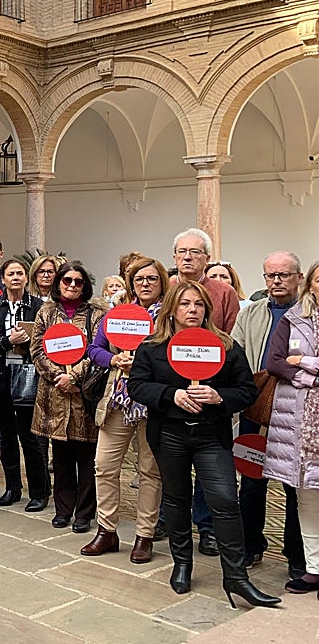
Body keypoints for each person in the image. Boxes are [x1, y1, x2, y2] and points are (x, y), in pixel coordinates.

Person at [127, 281, 279, 608]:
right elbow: (138, 386)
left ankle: (236, 578)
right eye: (184, 304)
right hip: (169, 433)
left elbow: (247, 390)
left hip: (212, 435)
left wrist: (218, 396)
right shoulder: (152, 347)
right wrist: (172, 395)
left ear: (207, 310)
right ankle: (182, 563)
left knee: (225, 498)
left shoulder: (225, 346)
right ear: (172, 309)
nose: (192, 310)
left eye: (198, 304)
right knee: (176, 498)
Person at [82, 256, 168, 563]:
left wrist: (145, 364)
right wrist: (112, 360)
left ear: (161, 283)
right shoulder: (119, 314)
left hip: (153, 403)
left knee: (149, 471)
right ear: (131, 284)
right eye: (139, 279)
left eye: (151, 279)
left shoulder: (169, 317)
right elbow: (94, 348)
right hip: (119, 399)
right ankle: (107, 531)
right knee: (104, 465)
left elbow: (176, 355)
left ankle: (144, 536)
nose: (145, 284)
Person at [232, 251, 306, 572]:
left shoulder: (309, 315)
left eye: (284, 275)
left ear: (299, 278)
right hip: (255, 406)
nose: (276, 281)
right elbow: (235, 352)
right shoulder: (250, 315)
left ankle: (295, 554)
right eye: (270, 275)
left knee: (294, 486)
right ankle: (251, 545)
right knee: (251, 479)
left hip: (297, 412)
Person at [31, 262, 104, 533]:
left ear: (85, 286)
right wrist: (57, 377)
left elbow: (98, 350)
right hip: (54, 395)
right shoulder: (46, 312)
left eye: (78, 282)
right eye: (67, 280)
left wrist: (74, 377)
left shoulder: (96, 314)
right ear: (58, 283)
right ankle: (63, 510)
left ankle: (85, 513)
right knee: (60, 458)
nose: (72, 285)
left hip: (83, 396)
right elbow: (36, 349)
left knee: (87, 458)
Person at [265, 260, 319, 594]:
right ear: (310, 284)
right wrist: (306, 374)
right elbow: (274, 361)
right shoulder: (294, 319)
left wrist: (304, 362)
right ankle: (314, 568)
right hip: (301, 424)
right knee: (308, 497)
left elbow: (290, 360)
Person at [0, 258, 50, 511]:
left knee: (29, 436)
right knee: (6, 436)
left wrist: (27, 343)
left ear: (26, 278)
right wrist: (6, 340)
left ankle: (39, 491)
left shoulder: (38, 307)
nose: (15, 277)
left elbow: (46, 340)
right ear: (3, 279)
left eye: (19, 273)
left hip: (28, 375)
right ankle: (12, 488)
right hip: (0, 375)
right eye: (10, 273)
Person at [172, 228, 239, 333]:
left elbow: (232, 337)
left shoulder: (225, 292)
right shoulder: (165, 287)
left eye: (195, 252)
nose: (187, 257)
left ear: (207, 259)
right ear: (175, 258)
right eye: (182, 251)